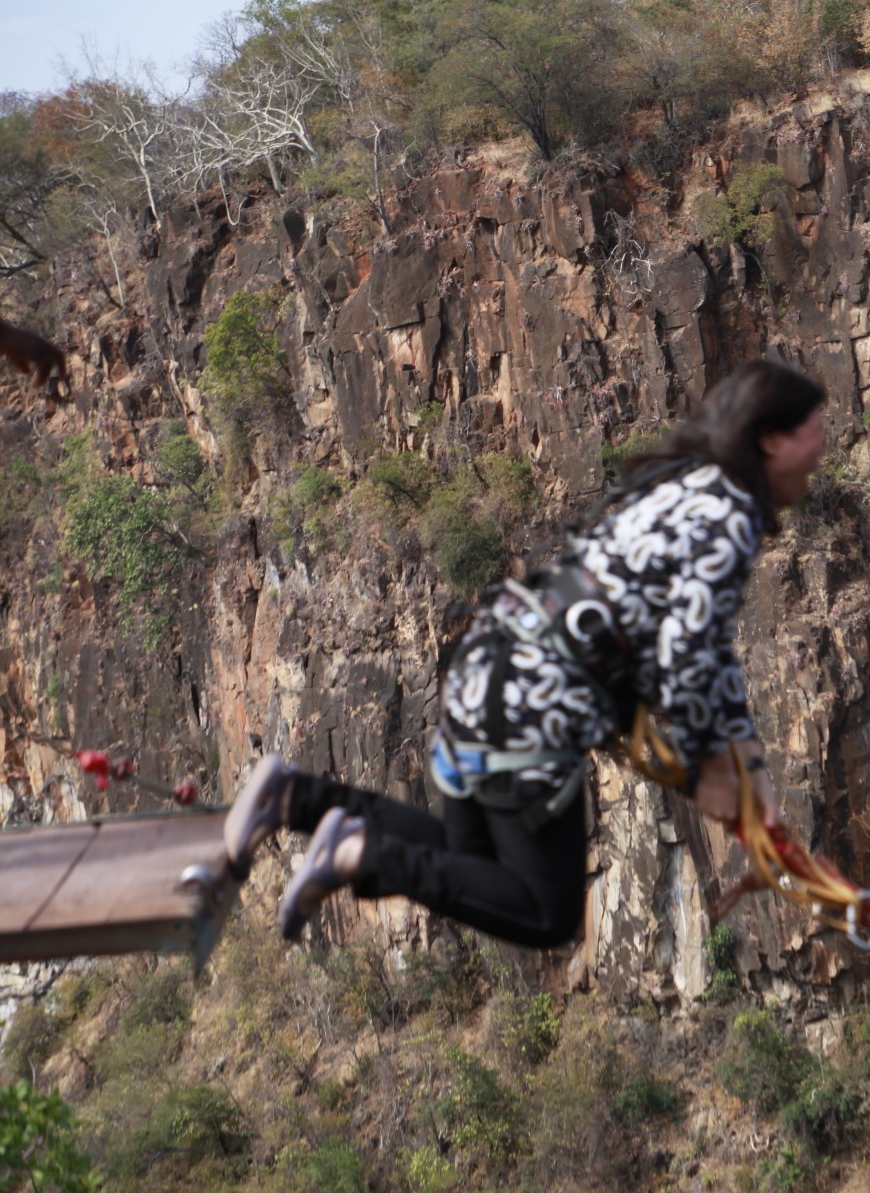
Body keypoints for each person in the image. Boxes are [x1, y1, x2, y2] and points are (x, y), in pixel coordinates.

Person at [222, 358, 828, 946]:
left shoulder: (684, 488)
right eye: (813, 432)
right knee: (545, 912)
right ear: (771, 440)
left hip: (487, 671)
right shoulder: (729, 514)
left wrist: (747, 772)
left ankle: (294, 798)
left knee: (467, 863)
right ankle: (356, 852)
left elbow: (709, 657)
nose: (823, 449)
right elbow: (690, 653)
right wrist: (713, 776)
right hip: (530, 711)